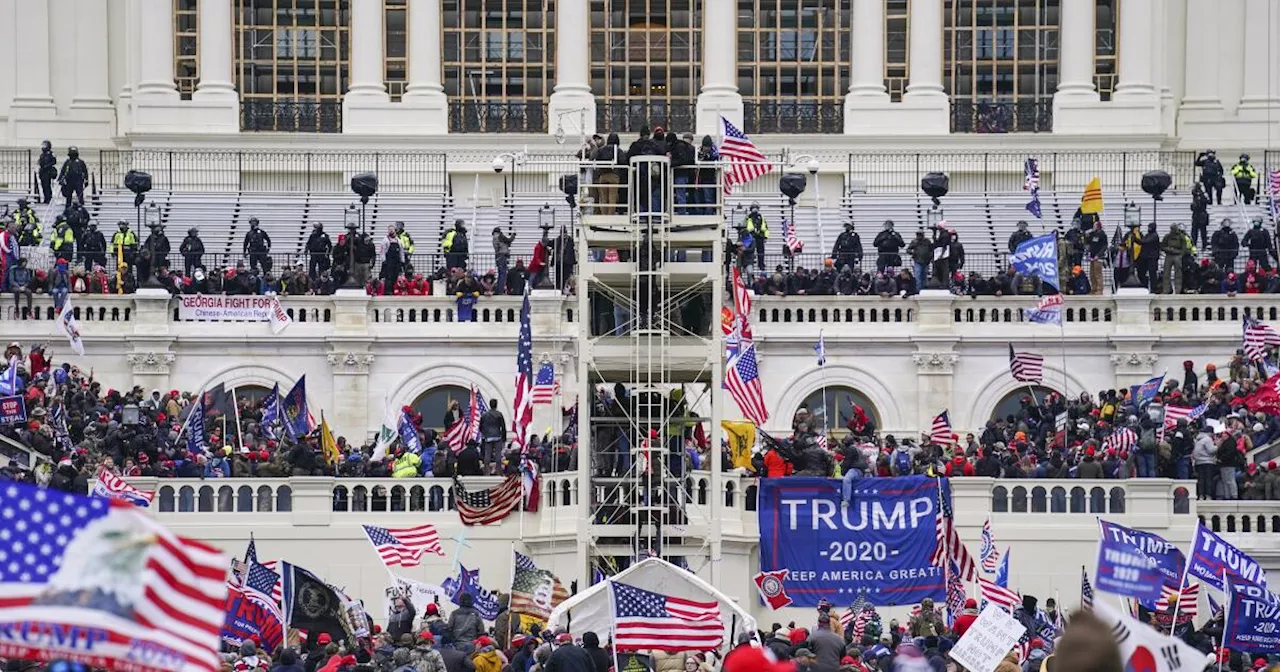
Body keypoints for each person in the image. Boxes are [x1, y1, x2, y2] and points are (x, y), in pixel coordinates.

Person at [479, 399, 506, 475]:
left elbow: (480, 426)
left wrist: (485, 433)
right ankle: (498, 471)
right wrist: (504, 438)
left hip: (488, 436)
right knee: (498, 454)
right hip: (497, 435)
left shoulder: (484, 415)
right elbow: (503, 427)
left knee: (487, 454)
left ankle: (486, 472)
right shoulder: (499, 414)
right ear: (496, 405)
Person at [1159, 223, 1188, 294]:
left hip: (1177, 255)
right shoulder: (1167, 236)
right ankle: (1167, 289)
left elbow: (1184, 247)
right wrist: (1168, 249)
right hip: (1169, 255)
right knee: (1166, 273)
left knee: (1178, 273)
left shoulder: (1181, 237)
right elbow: (1162, 246)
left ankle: (1178, 289)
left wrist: (1180, 254)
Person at [744, 203, 768, 271]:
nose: (755, 209)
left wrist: (765, 237)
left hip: (760, 237)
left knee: (761, 252)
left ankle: (761, 265)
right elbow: (745, 228)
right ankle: (749, 264)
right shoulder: (748, 218)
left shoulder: (761, 217)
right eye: (753, 208)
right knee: (750, 251)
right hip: (751, 237)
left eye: (756, 208)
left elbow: (765, 228)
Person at [493, 226, 515, 292]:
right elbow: (509, 240)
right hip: (503, 256)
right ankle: (501, 289)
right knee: (503, 273)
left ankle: (500, 289)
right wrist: (513, 235)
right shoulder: (501, 237)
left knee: (501, 273)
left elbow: (496, 248)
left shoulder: (495, 238)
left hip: (499, 256)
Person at [37, 140, 56, 204]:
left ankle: (49, 199)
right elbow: (40, 162)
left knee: (47, 186)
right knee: (43, 186)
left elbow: (54, 162)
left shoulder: (51, 154)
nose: (43, 147)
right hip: (43, 172)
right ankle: (45, 198)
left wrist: (47, 166)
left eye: (45, 145)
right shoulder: (42, 154)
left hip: (48, 172)